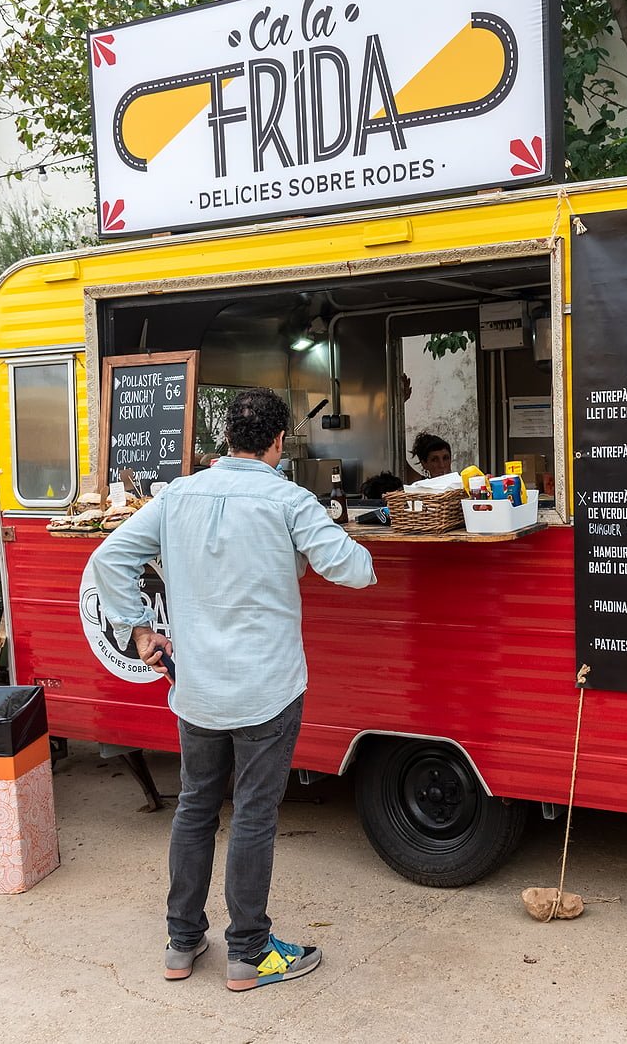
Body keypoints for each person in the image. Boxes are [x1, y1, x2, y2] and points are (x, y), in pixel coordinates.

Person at [87, 387, 375, 992]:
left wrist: (138, 629)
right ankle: (249, 954)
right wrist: (330, 531)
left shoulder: (178, 496)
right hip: (267, 689)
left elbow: (111, 557)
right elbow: (354, 570)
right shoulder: (290, 500)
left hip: (196, 687)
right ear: (278, 442)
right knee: (252, 814)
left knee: (194, 807)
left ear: (225, 439)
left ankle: (182, 943)